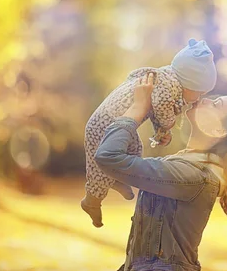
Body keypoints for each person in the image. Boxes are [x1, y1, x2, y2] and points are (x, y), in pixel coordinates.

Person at [85, 72, 227, 271]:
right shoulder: (188, 166)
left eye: (216, 104)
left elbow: (109, 157)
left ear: (219, 130)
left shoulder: (193, 177)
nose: (204, 98)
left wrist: (138, 108)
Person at [82, 39, 218, 226]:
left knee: (135, 147)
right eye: (199, 92)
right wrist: (166, 126)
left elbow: (153, 108)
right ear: (189, 84)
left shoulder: (167, 78)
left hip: (121, 124)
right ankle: (92, 200)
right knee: (99, 167)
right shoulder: (169, 87)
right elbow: (162, 110)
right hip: (104, 124)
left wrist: (160, 130)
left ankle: (115, 177)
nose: (199, 98)